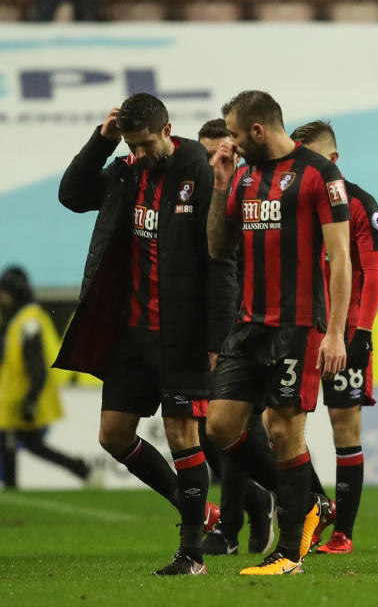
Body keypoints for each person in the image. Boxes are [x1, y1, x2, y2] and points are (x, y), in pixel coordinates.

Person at [55, 94, 236, 575]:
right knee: (113, 437)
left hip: (182, 333)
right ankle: (200, 510)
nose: (137, 153)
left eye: (144, 143)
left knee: (183, 434)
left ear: (168, 130)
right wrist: (102, 142)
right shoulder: (125, 172)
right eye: (130, 144)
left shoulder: (196, 170)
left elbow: (220, 260)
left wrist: (218, 338)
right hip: (131, 334)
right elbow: (72, 195)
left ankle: (193, 552)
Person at [205, 90, 352, 576]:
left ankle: (289, 552)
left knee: (284, 429)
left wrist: (334, 332)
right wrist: (221, 185)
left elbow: (341, 257)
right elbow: (217, 247)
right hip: (249, 324)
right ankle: (309, 500)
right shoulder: (242, 175)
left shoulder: (317, 174)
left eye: (233, 133)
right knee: (221, 425)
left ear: (258, 130)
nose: (231, 144)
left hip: (298, 326)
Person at [290, 120, 378, 554]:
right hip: (298, 327)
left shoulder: (361, 204)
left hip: (344, 333)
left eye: (307, 157)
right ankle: (318, 502)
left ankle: (343, 533)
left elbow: (375, 272)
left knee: (343, 425)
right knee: (278, 423)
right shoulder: (294, 200)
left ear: (331, 160)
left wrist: (363, 332)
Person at [196, 119, 278, 557]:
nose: (214, 163)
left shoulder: (249, 193)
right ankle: (258, 499)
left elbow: (226, 271)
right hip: (204, 326)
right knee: (209, 429)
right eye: (207, 155)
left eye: (222, 154)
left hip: (246, 328)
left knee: (235, 425)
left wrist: (220, 339)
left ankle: (228, 530)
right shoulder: (202, 194)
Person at [0, 266, 91, 488]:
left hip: (18, 397)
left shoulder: (28, 321)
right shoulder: (23, 318)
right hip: (15, 396)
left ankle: (12, 488)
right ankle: (79, 467)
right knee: (32, 444)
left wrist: (30, 400)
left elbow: (36, 366)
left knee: (11, 441)